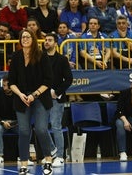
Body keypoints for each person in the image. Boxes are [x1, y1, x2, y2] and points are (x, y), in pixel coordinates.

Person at [8, 29, 53, 175]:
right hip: (21, 97)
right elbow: (11, 82)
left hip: (40, 96)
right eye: (22, 37)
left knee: (40, 129)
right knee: (23, 131)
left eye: (27, 37)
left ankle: (48, 160)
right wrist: (20, 94)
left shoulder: (41, 55)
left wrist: (34, 94)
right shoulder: (16, 57)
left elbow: (48, 81)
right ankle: (24, 164)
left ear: (33, 39)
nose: (25, 39)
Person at [43, 33, 73, 167]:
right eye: (45, 40)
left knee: (56, 126)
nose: (46, 42)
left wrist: (57, 92)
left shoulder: (62, 59)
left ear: (55, 43)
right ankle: (52, 151)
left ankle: (60, 156)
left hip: (56, 97)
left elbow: (69, 79)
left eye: (49, 40)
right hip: (42, 97)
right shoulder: (40, 58)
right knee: (41, 128)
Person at [0, 74, 18, 167]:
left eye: (5, 85)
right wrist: (2, 122)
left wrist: (15, 122)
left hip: (15, 122)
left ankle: (24, 155)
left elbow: (22, 113)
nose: (4, 87)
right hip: (1, 122)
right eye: (3, 85)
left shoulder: (18, 96)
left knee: (26, 128)